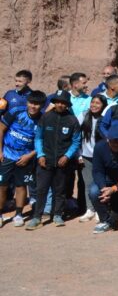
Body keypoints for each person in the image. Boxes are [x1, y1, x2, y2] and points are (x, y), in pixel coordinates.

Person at [27, 91, 81, 230]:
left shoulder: (72, 120)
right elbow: (38, 138)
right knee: (41, 190)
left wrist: (67, 156)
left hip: (63, 162)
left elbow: (76, 141)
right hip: (45, 160)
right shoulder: (46, 117)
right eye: (57, 102)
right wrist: (40, 155)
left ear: (67, 104)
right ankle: (37, 217)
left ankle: (58, 215)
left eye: (63, 102)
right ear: (54, 102)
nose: (60, 104)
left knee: (60, 190)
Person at [0, 90, 44, 227]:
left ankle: (18, 214)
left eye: (37, 104)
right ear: (27, 102)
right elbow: (1, 129)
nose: (33, 106)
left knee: (21, 185)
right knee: (2, 186)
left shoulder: (43, 119)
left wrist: (30, 155)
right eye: (31, 103)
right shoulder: (15, 112)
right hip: (7, 154)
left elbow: (43, 141)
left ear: (42, 105)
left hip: (26, 157)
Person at [76, 93, 107, 222]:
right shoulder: (83, 115)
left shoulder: (105, 118)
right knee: (87, 184)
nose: (94, 105)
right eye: (92, 102)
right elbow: (76, 135)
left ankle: (101, 209)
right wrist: (78, 155)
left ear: (103, 105)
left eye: (97, 103)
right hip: (86, 156)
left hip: (101, 157)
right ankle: (90, 209)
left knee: (100, 184)